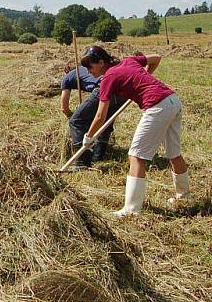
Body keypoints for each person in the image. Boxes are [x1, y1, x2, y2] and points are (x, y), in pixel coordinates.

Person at [81, 46, 189, 217]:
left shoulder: (108, 77)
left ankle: (131, 211)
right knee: (173, 153)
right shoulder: (128, 61)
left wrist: (88, 137)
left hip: (157, 106)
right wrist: (145, 77)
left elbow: (100, 116)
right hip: (172, 100)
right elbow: (157, 57)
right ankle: (183, 196)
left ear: (101, 62)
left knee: (136, 156)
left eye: (90, 67)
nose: (88, 71)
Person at [60, 58, 123, 167]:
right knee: (105, 122)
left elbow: (64, 107)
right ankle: (98, 156)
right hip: (121, 91)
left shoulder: (67, 77)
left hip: (103, 88)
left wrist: (71, 115)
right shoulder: (89, 69)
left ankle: (82, 162)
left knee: (77, 122)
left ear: (67, 71)